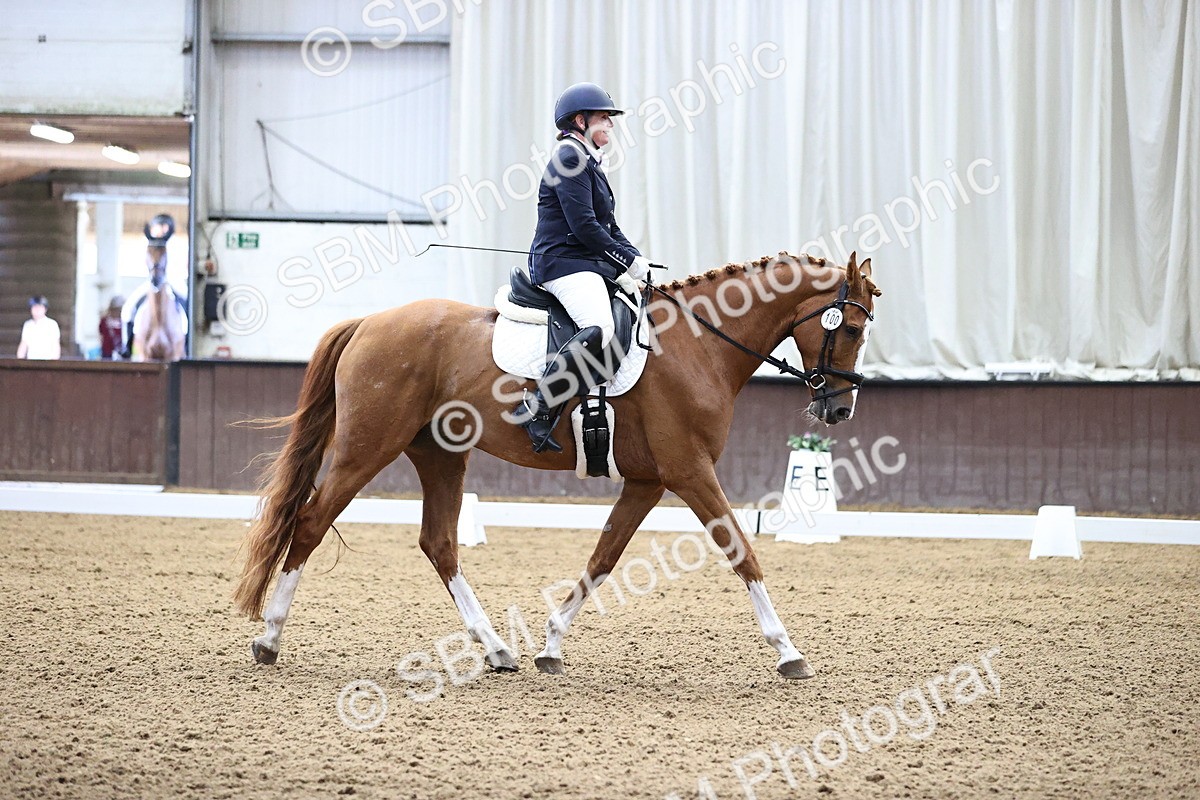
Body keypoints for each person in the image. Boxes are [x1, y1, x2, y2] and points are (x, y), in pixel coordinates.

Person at [514, 82, 653, 453]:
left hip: (584, 263)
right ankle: (539, 408)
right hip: (563, 265)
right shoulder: (569, 159)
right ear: (580, 120)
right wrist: (624, 263)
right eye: (604, 118)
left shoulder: (588, 161)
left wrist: (635, 257)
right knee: (599, 327)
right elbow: (584, 227)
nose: (610, 125)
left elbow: (608, 226)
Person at [121, 214, 188, 359]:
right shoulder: (148, 241)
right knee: (128, 309)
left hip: (173, 280)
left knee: (187, 308)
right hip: (151, 279)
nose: (160, 230)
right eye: (158, 226)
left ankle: (188, 345)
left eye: (163, 226)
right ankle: (126, 346)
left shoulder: (174, 242)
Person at [17, 295, 61, 360]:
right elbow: (23, 345)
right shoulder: (28, 325)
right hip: (31, 362)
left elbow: (56, 346)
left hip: (47, 362)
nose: (37, 310)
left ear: (45, 309)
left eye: (40, 307)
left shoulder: (52, 324)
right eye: (34, 307)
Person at [98, 295, 125, 359]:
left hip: (121, 353)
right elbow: (101, 335)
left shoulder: (124, 322)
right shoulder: (104, 321)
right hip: (107, 353)